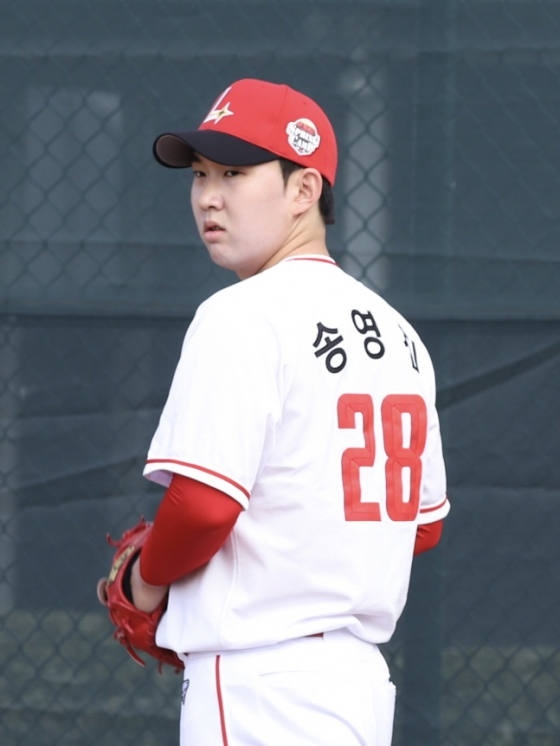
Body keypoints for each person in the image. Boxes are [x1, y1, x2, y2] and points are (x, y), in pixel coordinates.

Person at [130, 78, 449, 746]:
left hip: (259, 684)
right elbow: (420, 527)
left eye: (235, 173)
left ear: (304, 190)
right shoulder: (402, 338)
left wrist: (146, 582)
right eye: (200, 173)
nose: (208, 196)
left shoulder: (240, 315)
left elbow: (205, 506)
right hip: (359, 687)